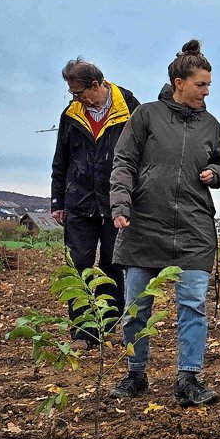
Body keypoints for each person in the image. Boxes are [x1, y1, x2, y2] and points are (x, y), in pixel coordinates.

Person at [108, 40, 220, 407]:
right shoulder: (145, 115)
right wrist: (120, 203)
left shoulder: (212, 125)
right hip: (144, 224)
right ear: (180, 82)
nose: (207, 91)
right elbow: (124, 162)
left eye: (209, 85)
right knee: (137, 306)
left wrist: (216, 173)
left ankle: (188, 378)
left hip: (193, 229)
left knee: (192, 305)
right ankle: (135, 374)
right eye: (201, 84)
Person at [51, 58, 140, 351]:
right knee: (79, 266)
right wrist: (57, 200)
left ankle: (109, 323)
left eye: (77, 92)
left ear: (94, 85)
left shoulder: (129, 107)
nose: (74, 98)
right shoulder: (71, 114)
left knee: (112, 265)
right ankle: (82, 332)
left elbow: (142, 156)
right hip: (78, 202)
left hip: (115, 201)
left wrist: (132, 197)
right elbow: (61, 159)